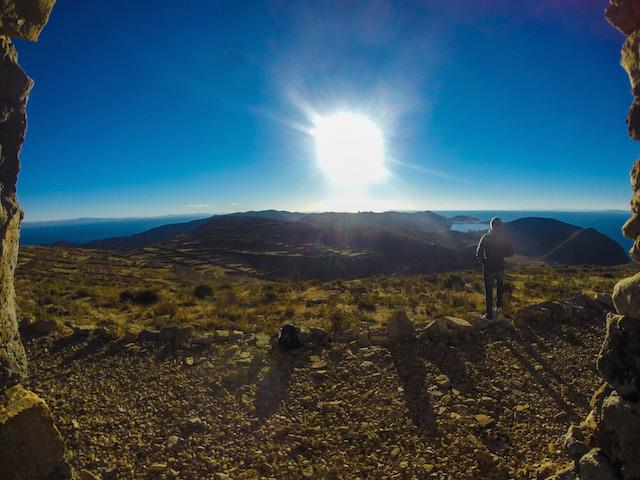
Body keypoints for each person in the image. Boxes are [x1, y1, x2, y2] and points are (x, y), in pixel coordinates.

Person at [476, 217, 514, 320]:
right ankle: (499, 310)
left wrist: (485, 262)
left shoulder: (486, 237)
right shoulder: (504, 238)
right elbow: (510, 252)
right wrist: (501, 256)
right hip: (500, 266)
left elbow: (479, 253)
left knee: (489, 291)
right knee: (499, 289)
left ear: (491, 225)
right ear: (500, 226)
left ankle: (489, 315)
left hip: (489, 268)